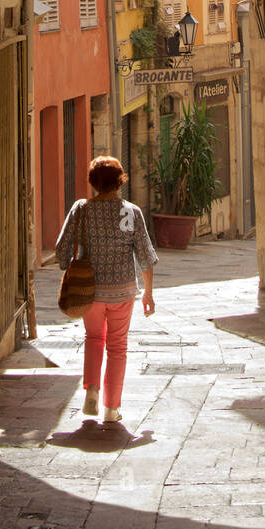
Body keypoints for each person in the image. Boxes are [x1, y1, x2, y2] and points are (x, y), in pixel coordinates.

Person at [55, 155, 158, 424]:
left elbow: (61, 250)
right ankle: (112, 409)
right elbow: (145, 256)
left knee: (93, 339)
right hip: (123, 291)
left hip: (91, 291)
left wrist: (68, 264)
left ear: (93, 183)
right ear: (120, 181)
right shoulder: (131, 212)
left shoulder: (81, 209)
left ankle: (92, 390)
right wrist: (148, 292)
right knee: (117, 346)